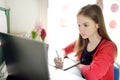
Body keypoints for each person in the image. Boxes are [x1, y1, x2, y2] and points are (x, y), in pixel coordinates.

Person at [54, 4, 117, 80]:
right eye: (79, 25)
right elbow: (64, 50)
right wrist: (60, 58)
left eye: (86, 25)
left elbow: (92, 75)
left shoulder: (109, 47)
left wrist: (78, 65)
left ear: (97, 24)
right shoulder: (83, 41)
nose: (81, 30)